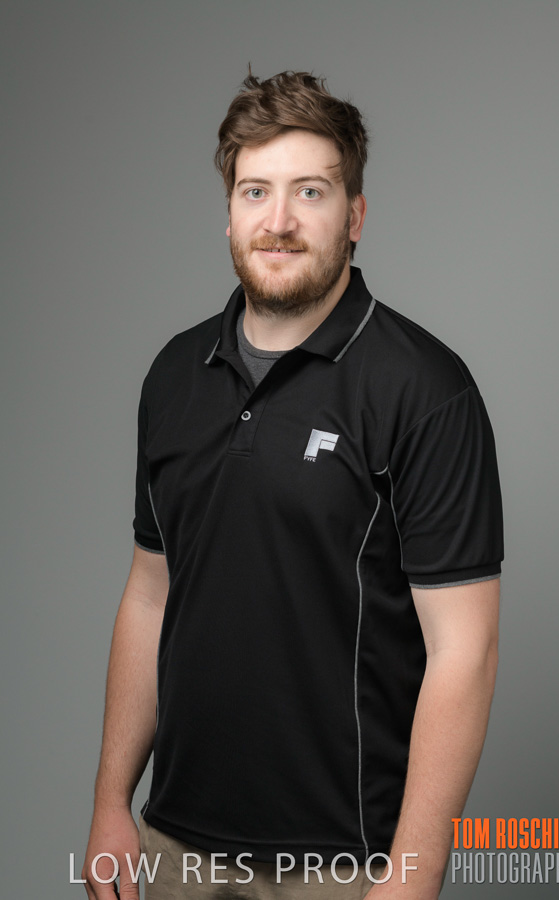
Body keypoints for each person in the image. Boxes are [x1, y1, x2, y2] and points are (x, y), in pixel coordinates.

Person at [82, 70, 503, 900]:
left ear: (355, 216)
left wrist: (412, 878)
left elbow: (467, 652)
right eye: (256, 192)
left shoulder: (423, 388)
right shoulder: (174, 375)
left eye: (310, 191)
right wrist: (109, 804)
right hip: (173, 846)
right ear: (229, 213)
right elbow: (150, 598)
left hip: (344, 862)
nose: (278, 221)